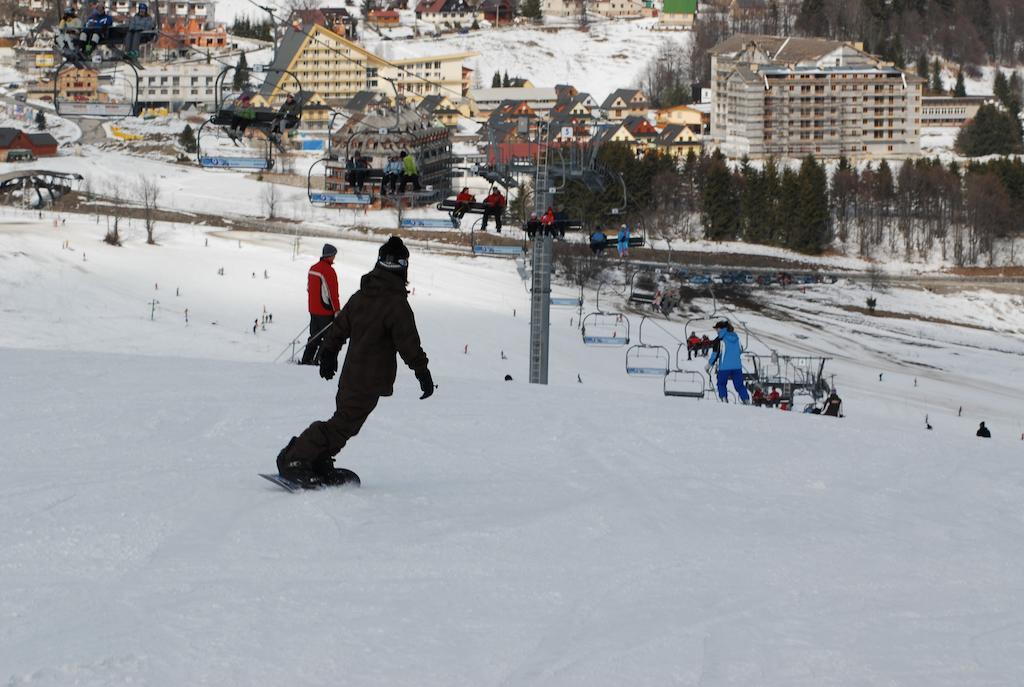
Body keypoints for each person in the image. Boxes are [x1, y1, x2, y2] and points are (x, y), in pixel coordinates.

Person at [277, 237, 434, 488]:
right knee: (342, 425)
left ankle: (316, 458)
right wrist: (422, 372)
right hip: (367, 380)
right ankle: (296, 458)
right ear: (403, 267)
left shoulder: (363, 296)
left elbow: (339, 327)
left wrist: (329, 353)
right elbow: (409, 344)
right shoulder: (395, 304)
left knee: (345, 424)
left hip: (353, 376)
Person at [299, 243, 341, 365]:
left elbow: (309, 288)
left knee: (314, 336)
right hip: (325, 310)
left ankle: (306, 359)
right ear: (330, 255)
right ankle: (318, 360)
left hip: (313, 309)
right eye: (334, 255)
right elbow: (333, 293)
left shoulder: (313, 268)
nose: (334, 258)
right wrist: (337, 311)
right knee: (328, 338)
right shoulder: (329, 271)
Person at [707, 319, 749, 404]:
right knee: (739, 385)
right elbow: (740, 350)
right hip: (737, 366)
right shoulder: (736, 337)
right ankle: (746, 399)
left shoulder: (719, 339)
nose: (716, 331)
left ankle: (724, 399)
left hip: (724, 367)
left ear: (720, 329)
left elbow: (715, 354)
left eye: (717, 329)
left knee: (721, 383)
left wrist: (709, 364)